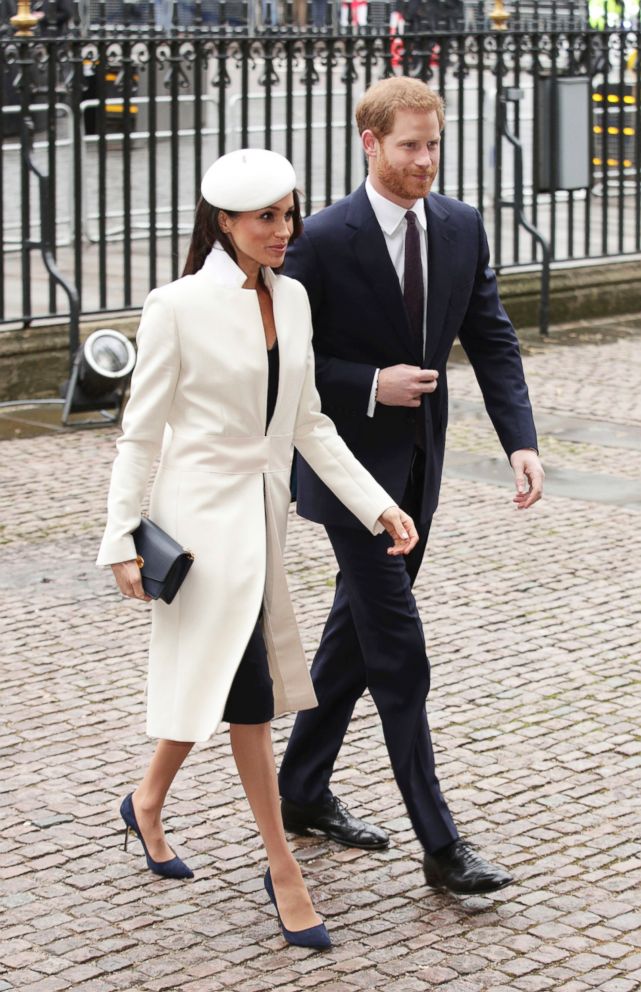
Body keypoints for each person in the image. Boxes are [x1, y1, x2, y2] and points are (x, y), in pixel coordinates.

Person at [96, 148, 418, 949]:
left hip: (263, 522)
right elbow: (139, 435)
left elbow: (309, 422)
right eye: (265, 217)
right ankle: (283, 868)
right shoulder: (174, 305)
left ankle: (145, 802)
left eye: (288, 213)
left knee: (225, 684)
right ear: (224, 223)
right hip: (202, 529)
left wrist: (377, 504)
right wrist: (121, 538)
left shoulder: (296, 298)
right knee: (245, 696)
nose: (284, 230)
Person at [279, 77, 545, 895]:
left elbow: (491, 338)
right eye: (407, 147)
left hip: (418, 473)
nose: (424, 160)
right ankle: (442, 846)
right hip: (347, 478)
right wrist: (369, 383)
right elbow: (286, 364)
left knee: (353, 638)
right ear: (369, 142)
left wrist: (520, 442)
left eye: (432, 144)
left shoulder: (461, 226)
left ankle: (299, 789)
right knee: (398, 651)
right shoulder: (320, 239)